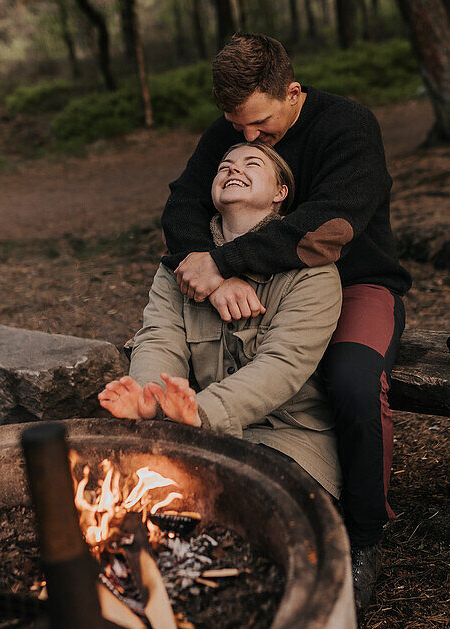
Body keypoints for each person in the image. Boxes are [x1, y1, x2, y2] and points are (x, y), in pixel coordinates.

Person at [159, 33, 411, 610]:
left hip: (354, 281)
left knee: (349, 381)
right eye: (235, 126)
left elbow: (332, 226)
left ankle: (367, 534)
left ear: (293, 92)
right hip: (259, 282)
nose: (246, 138)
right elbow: (183, 204)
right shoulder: (232, 131)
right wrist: (211, 271)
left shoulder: (347, 125)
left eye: (260, 125)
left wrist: (224, 262)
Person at [99, 141, 344, 501]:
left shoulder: (311, 274)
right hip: (198, 434)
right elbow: (159, 339)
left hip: (291, 440)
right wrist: (149, 398)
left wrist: (202, 411)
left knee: (233, 501)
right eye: (224, 165)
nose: (232, 169)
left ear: (281, 192)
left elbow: (283, 366)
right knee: (130, 499)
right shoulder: (179, 269)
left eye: (252, 164)